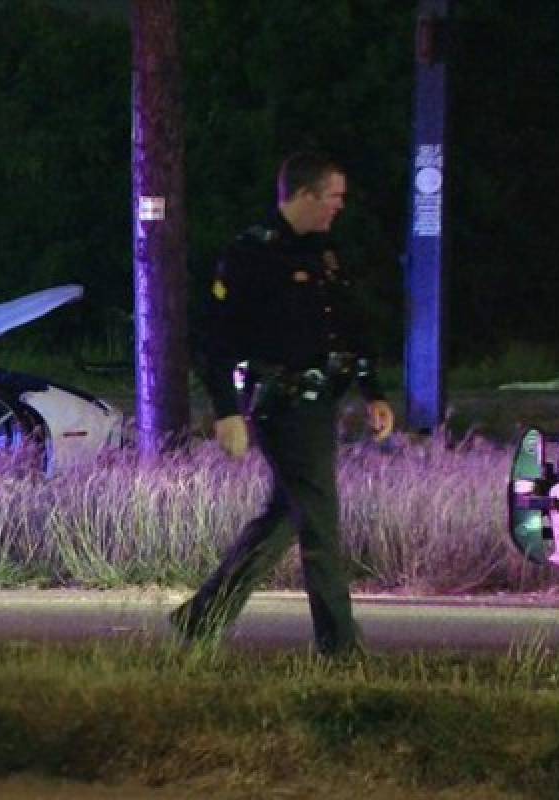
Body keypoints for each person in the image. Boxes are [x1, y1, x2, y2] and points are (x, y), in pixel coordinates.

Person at [171, 151, 394, 656]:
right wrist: (227, 410)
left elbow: (348, 328)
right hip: (283, 404)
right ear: (305, 194)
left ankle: (202, 618)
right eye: (334, 196)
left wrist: (372, 389)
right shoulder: (253, 255)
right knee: (319, 522)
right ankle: (339, 649)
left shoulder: (326, 253)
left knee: (288, 515)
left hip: (320, 403)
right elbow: (215, 340)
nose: (340, 206)